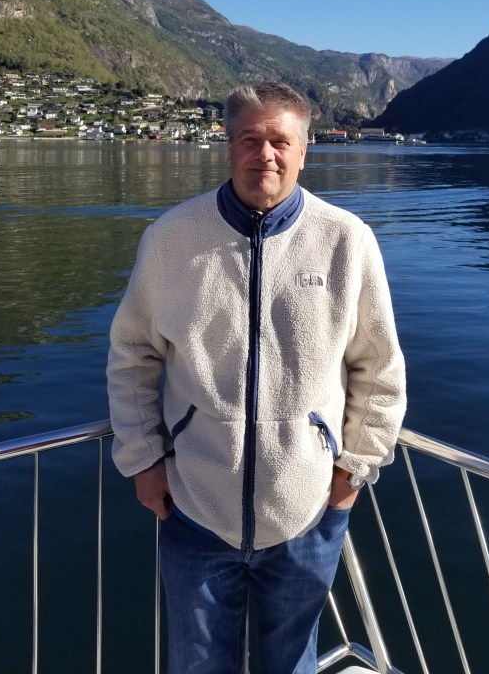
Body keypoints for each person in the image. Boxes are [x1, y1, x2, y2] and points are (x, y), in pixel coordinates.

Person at [107, 81, 406, 674]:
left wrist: (354, 471)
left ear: (304, 151)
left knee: (291, 666)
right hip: (195, 510)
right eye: (250, 139)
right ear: (228, 147)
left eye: (279, 140)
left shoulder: (346, 242)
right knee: (197, 667)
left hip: (308, 512)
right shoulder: (172, 239)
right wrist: (142, 461)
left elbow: (381, 370)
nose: (263, 154)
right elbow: (131, 354)